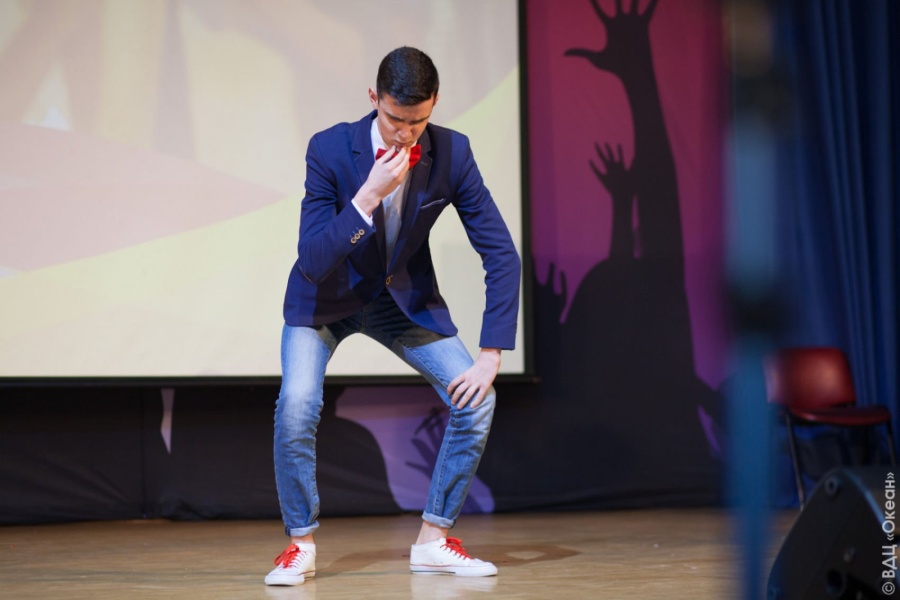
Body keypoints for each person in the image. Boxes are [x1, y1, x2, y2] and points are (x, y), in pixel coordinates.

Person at [264, 46, 520, 586]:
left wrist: (492, 352)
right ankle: (299, 544)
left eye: (417, 122)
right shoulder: (330, 148)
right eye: (395, 120)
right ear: (373, 99)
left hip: (399, 301)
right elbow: (312, 259)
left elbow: (501, 253)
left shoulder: (452, 153)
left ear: (435, 104)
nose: (405, 135)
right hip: (324, 299)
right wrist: (367, 198)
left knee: (477, 399)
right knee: (298, 404)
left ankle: (433, 539)